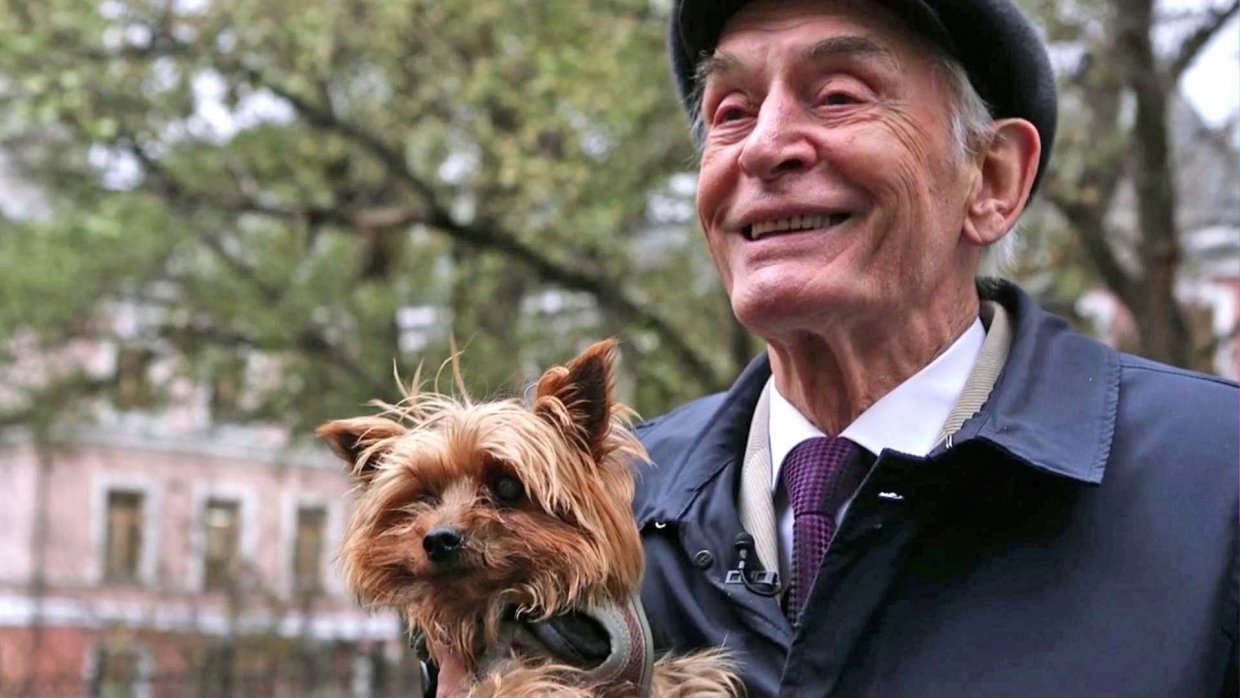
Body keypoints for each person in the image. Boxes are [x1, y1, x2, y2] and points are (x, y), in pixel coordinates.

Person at [435, 0, 1238, 694]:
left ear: (992, 180)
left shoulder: (1214, 485)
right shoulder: (596, 509)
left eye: (838, 96)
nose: (763, 147)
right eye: (730, 111)